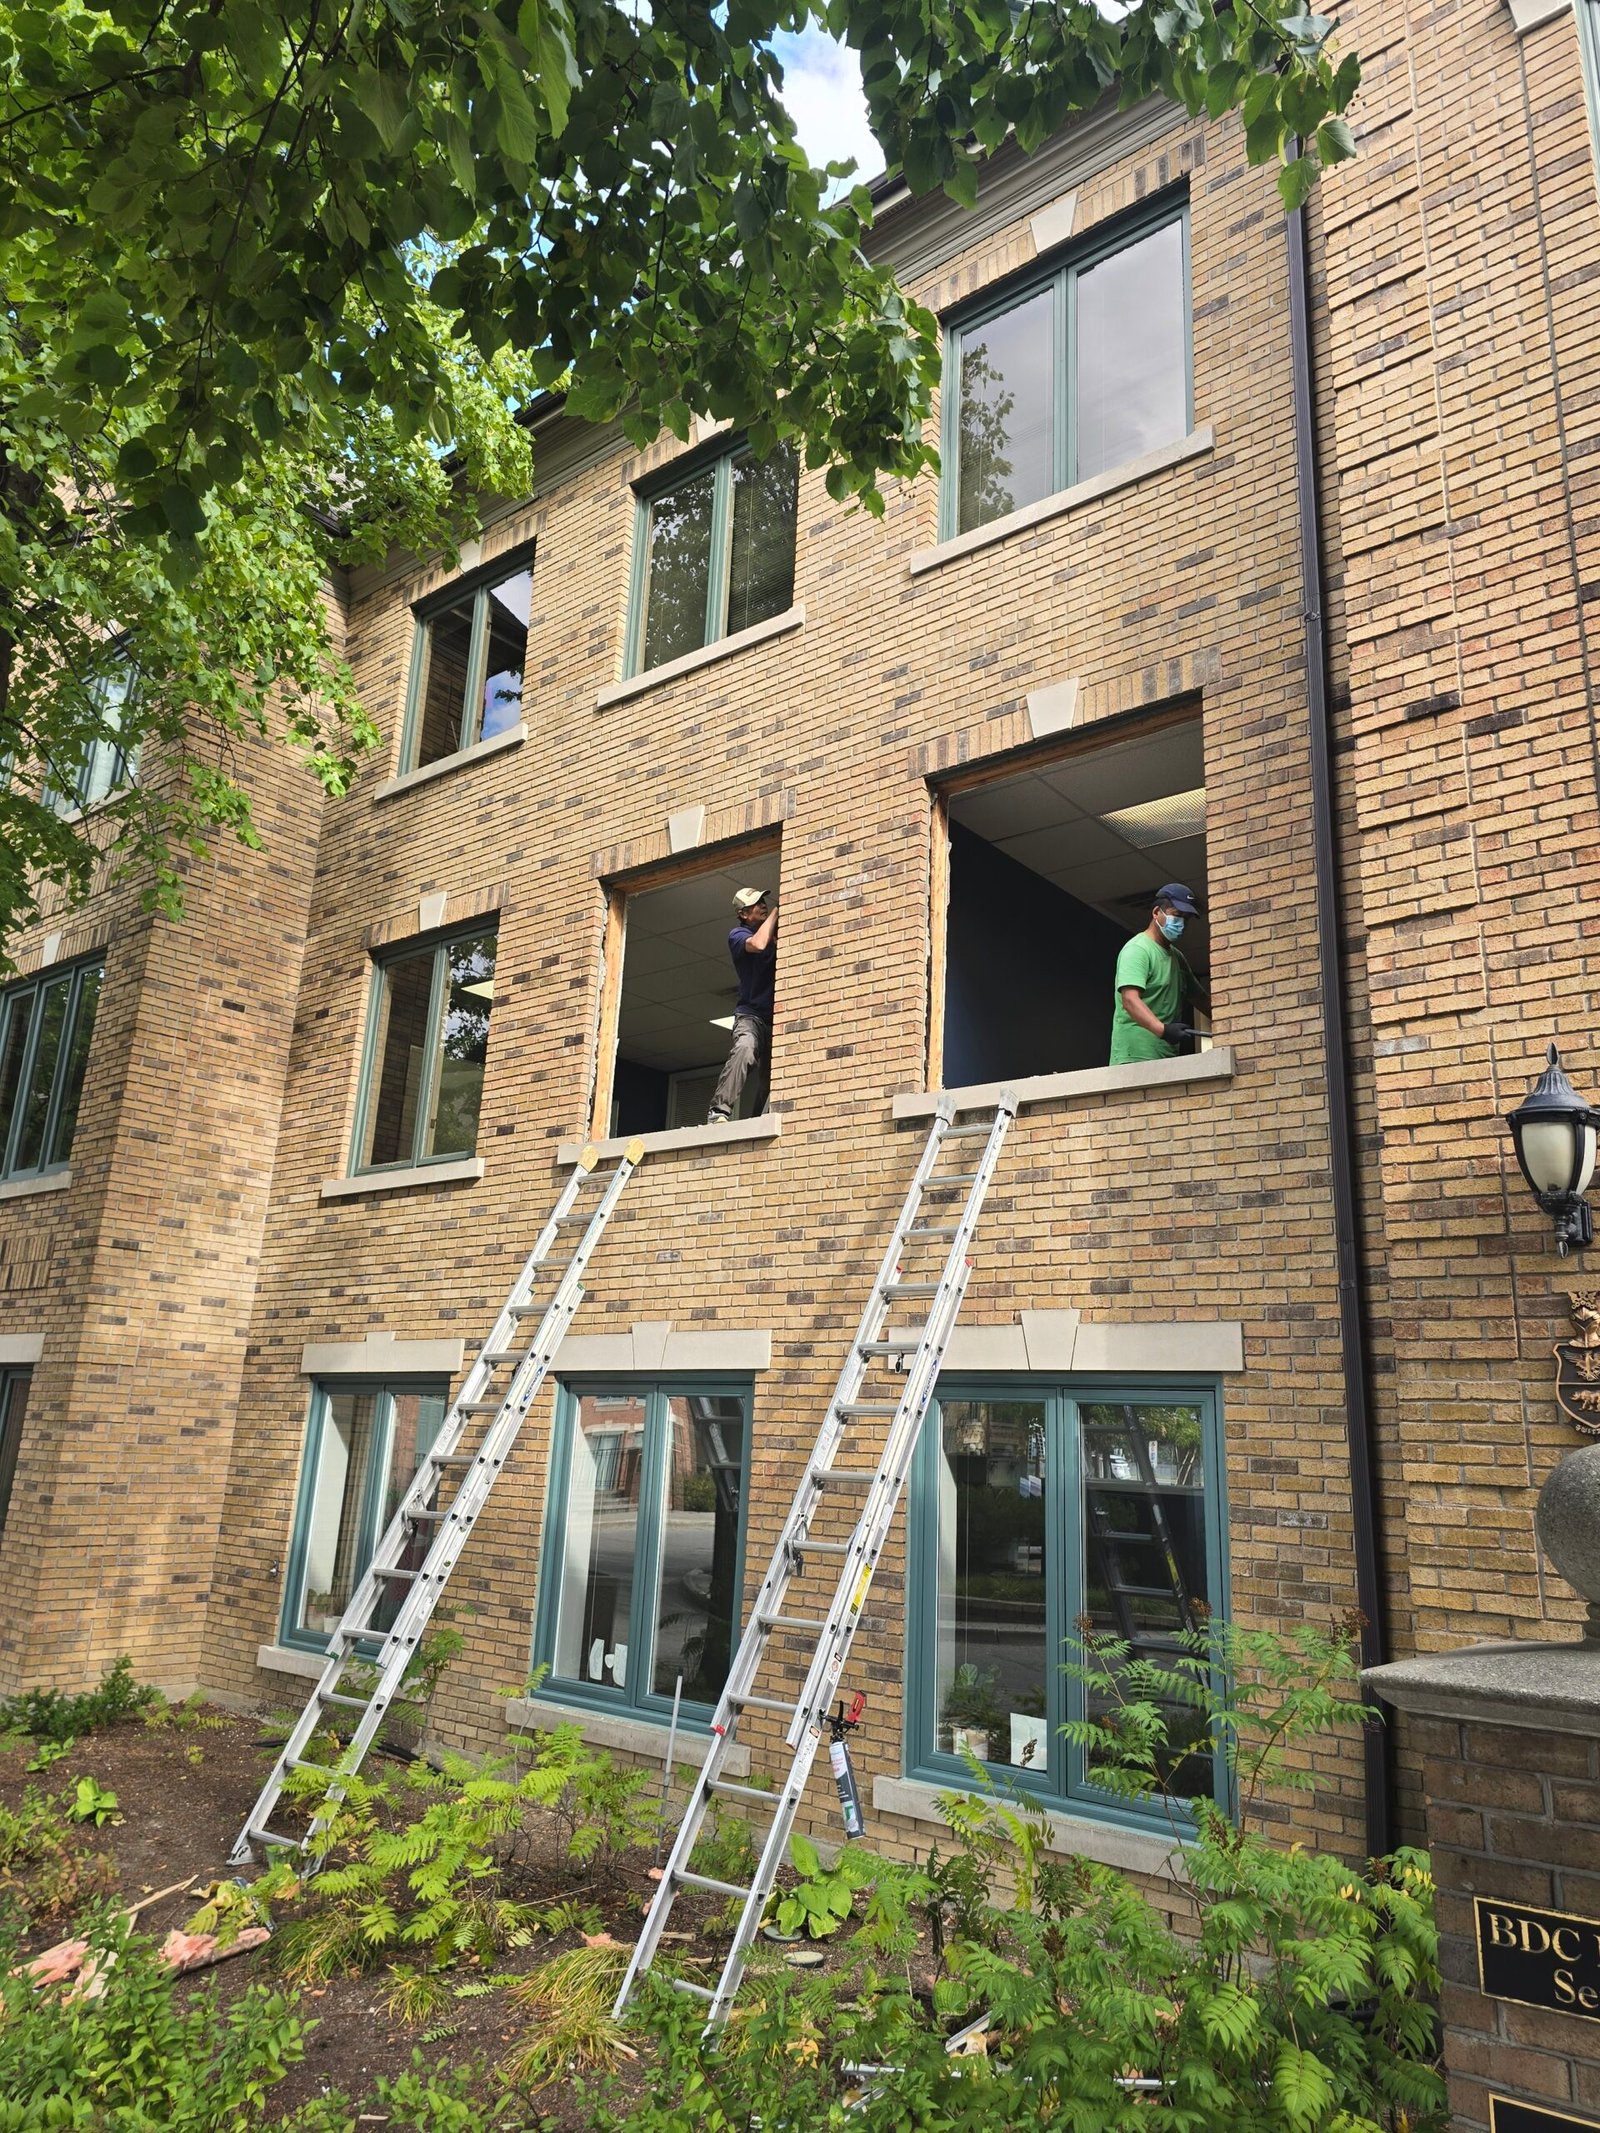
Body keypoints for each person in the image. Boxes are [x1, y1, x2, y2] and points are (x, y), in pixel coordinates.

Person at [1108, 883, 1204, 1066]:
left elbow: (1199, 998)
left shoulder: (1177, 957)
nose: (1182, 923)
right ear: (1156, 913)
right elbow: (1129, 1000)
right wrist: (1163, 1030)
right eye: (1177, 915)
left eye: (1186, 919)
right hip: (1134, 1056)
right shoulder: (1138, 950)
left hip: (1166, 1056)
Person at [708, 886, 777, 1122]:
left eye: (763, 901)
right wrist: (776, 912)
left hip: (775, 1018)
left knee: (772, 1077)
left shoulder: (775, 932)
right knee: (745, 1048)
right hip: (750, 1015)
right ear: (743, 914)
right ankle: (719, 1110)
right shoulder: (737, 935)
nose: (762, 905)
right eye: (755, 904)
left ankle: (758, 1121)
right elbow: (758, 944)